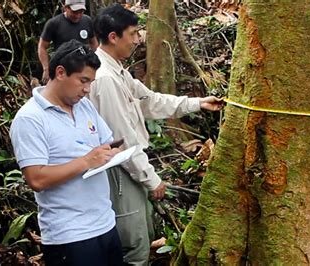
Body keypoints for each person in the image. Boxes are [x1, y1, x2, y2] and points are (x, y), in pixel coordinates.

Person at [90, 4, 224, 265]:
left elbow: (150, 101)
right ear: (113, 37)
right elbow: (123, 138)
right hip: (120, 170)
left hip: (129, 166)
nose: (137, 39)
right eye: (133, 33)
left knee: (142, 234)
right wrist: (151, 180)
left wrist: (197, 103)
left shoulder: (118, 72)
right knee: (134, 245)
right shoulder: (105, 78)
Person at [10, 40, 123, 266]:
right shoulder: (30, 119)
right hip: (70, 236)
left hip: (106, 223)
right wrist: (85, 161)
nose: (87, 89)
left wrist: (112, 153)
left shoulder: (84, 106)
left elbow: (106, 144)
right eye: (83, 81)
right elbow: (36, 178)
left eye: (91, 82)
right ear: (60, 72)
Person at [38, 0, 98, 84]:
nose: (78, 15)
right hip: (63, 70)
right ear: (66, 8)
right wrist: (46, 68)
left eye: (81, 12)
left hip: (83, 68)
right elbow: (42, 46)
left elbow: (94, 43)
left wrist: (94, 62)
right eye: (74, 12)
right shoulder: (54, 23)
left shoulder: (87, 21)